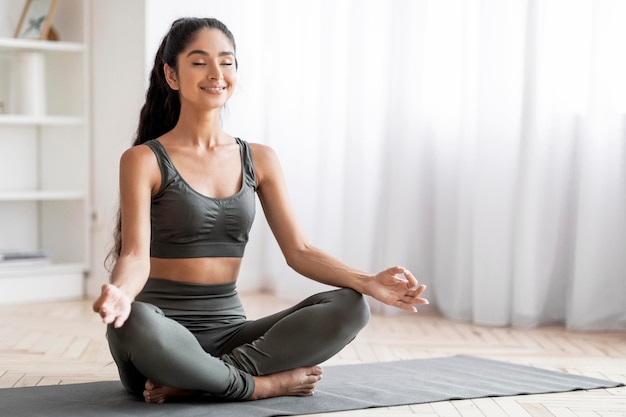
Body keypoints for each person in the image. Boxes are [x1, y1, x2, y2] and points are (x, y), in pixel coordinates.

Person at [92, 17, 428, 404]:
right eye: (199, 62)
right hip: (163, 335)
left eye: (227, 61)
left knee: (350, 306)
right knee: (133, 319)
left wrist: (367, 281)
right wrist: (120, 293)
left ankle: (206, 379)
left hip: (232, 334)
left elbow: (299, 251)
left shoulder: (259, 158)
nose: (216, 73)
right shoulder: (143, 160)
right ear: (172, 75)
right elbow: (135, 254)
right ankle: (259, 385)